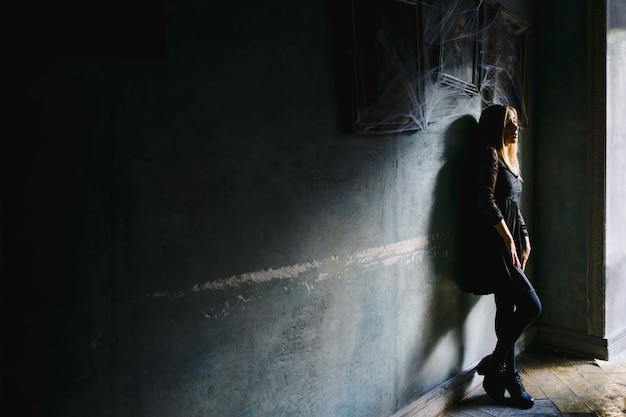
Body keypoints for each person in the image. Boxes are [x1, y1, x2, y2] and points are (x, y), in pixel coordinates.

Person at [460, 104, 542, 409]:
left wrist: (525, 236)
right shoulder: (489, 153)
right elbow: (485, 200)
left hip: (508, 241)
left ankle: (501, 377)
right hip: (493, 245)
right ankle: (498, 366)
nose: (516, 126)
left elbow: (512, 204)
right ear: (496, 125)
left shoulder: (509, 157)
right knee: (531, 305)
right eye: (510, 122)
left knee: (507, 310)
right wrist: (509, 239)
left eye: (517, 121)